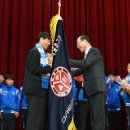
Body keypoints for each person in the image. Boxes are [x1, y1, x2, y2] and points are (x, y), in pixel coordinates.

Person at [69, 35, 107, 130]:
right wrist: (66, 73)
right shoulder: (87, 56)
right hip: (91, 91)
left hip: (97, 89)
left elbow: (84, 64)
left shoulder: (94, 52)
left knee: (98, 119)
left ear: (85, 41)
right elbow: (80, 70)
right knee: (93, 119)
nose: (77, 47)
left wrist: (66, 61)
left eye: (78, 44)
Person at [23, 32, 52, 130]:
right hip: (34, 89)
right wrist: (49, 68)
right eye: (48, 41)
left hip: (41, 90)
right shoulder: (35, 51)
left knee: (39, 119)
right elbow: (33, 68)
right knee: (34, 119)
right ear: (41, 39)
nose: (49, 43)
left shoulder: (42, 53)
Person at [115, 63, 130, 130]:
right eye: (128, 68)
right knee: (128, 120)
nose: (129, 69)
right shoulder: (126, 77)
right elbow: (122, 89)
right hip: (127, 102)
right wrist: (120, 84)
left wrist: (125, 87)